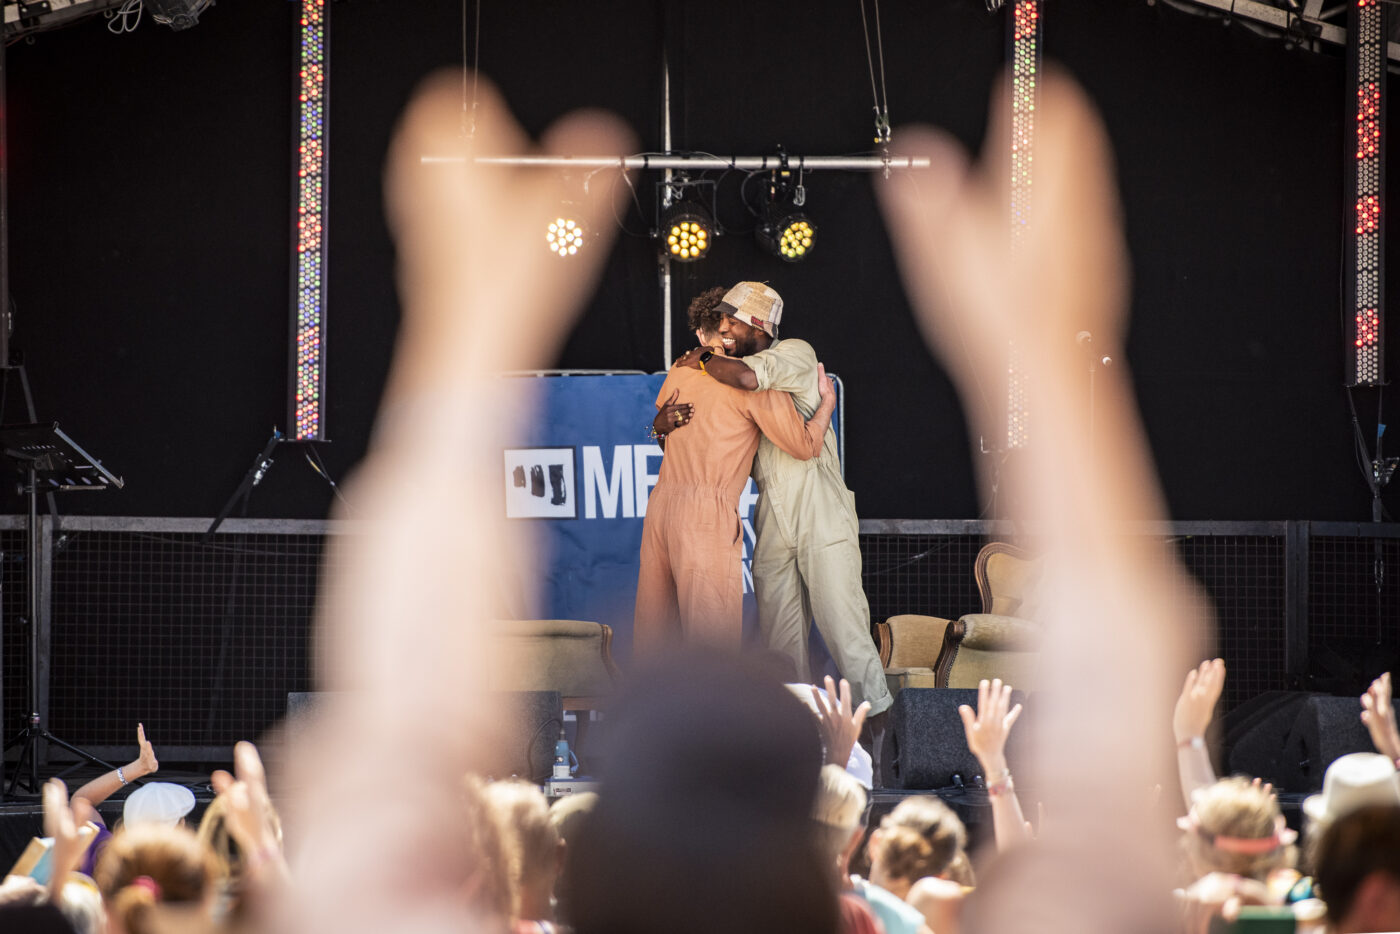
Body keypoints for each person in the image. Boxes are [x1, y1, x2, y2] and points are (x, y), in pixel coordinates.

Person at [663, 282, 893, 729]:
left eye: (732, 323)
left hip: (818, 504)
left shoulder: (794, 351)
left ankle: (882, 750)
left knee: (844, 630)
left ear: (760, 326)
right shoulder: (727, 371)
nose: (723, 331)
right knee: (780, 643)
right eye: (721, 323)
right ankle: (795, 740)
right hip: (770, 508)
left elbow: (751, 378)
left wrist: (705, 358)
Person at [634, 307, 836, 651]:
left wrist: (654, 428)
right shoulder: (752, 384)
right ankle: (714, 707)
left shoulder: (681, 369)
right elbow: (804, 446)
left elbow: (665, 435)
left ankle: (652, 706)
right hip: (706, 516)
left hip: (661, 508)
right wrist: (827, 405)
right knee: (712, 644)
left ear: (700, 337)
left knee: (654, 635)